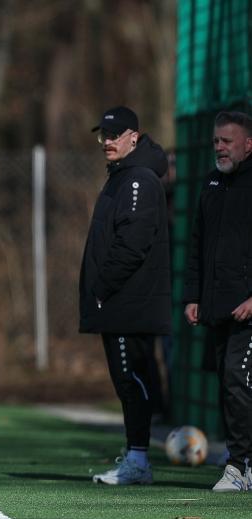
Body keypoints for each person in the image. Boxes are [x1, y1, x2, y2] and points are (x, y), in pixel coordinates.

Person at [79, 106, 170, 485]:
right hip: (118, 302)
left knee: (131, 378)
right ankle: (136, 457)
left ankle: (138, 460)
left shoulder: (138, 180)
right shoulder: (121, 176)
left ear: (135, 137)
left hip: (127, 302)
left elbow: (132, 243)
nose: (107, 142)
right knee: (125, 380)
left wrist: (102, 286)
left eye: (115, 135)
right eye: (104, 135)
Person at [183, 110, 252, 492]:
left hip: (248, 309)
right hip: (218, 306)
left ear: (248, 144)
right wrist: (193, 295)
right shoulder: (211, 182)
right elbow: (197, 244)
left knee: (236, 381)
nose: (220, 148)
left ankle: (238, 467)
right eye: (216, 141)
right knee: (228, 384)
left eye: (227, 141)